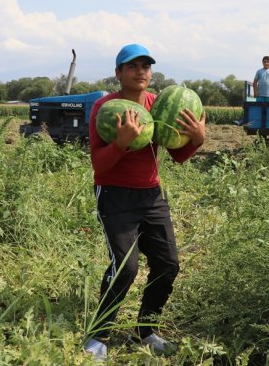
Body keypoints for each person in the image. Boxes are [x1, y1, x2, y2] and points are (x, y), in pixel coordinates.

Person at [84, 43, 206, 361]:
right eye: (132, 66)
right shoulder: (105, 107)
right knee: (126, 268)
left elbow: (177, 155)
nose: (141, 72)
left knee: (168, 265)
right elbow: (100, 164)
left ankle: (146, 329)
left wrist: (197, 139)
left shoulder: (157, 104)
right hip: (115, 195)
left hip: (152, 195)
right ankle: (98, 337)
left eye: (146, 66)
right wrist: (122, 144)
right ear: (118, 73)